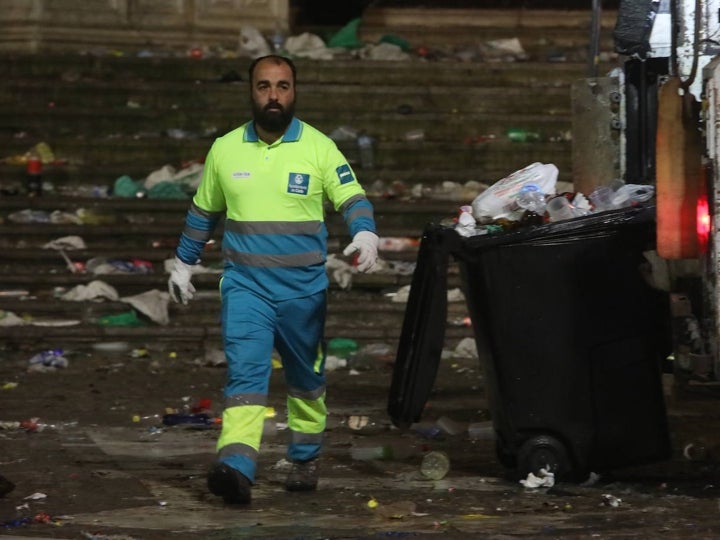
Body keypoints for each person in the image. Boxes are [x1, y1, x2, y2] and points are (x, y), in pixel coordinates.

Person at [167, 54, 379, 505]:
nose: (274, 95)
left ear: (294, 91)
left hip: (304, 292)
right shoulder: (225, 149)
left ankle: (304, 457)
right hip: (246, 287)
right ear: (251, 91)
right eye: (264, 86)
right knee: (246, 374)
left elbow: (351, 195)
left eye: (282, 86)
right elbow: (203, 212)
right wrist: (183, 262)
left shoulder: (319, 148)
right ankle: (237, 466)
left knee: (306, 379)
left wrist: (364, 230)